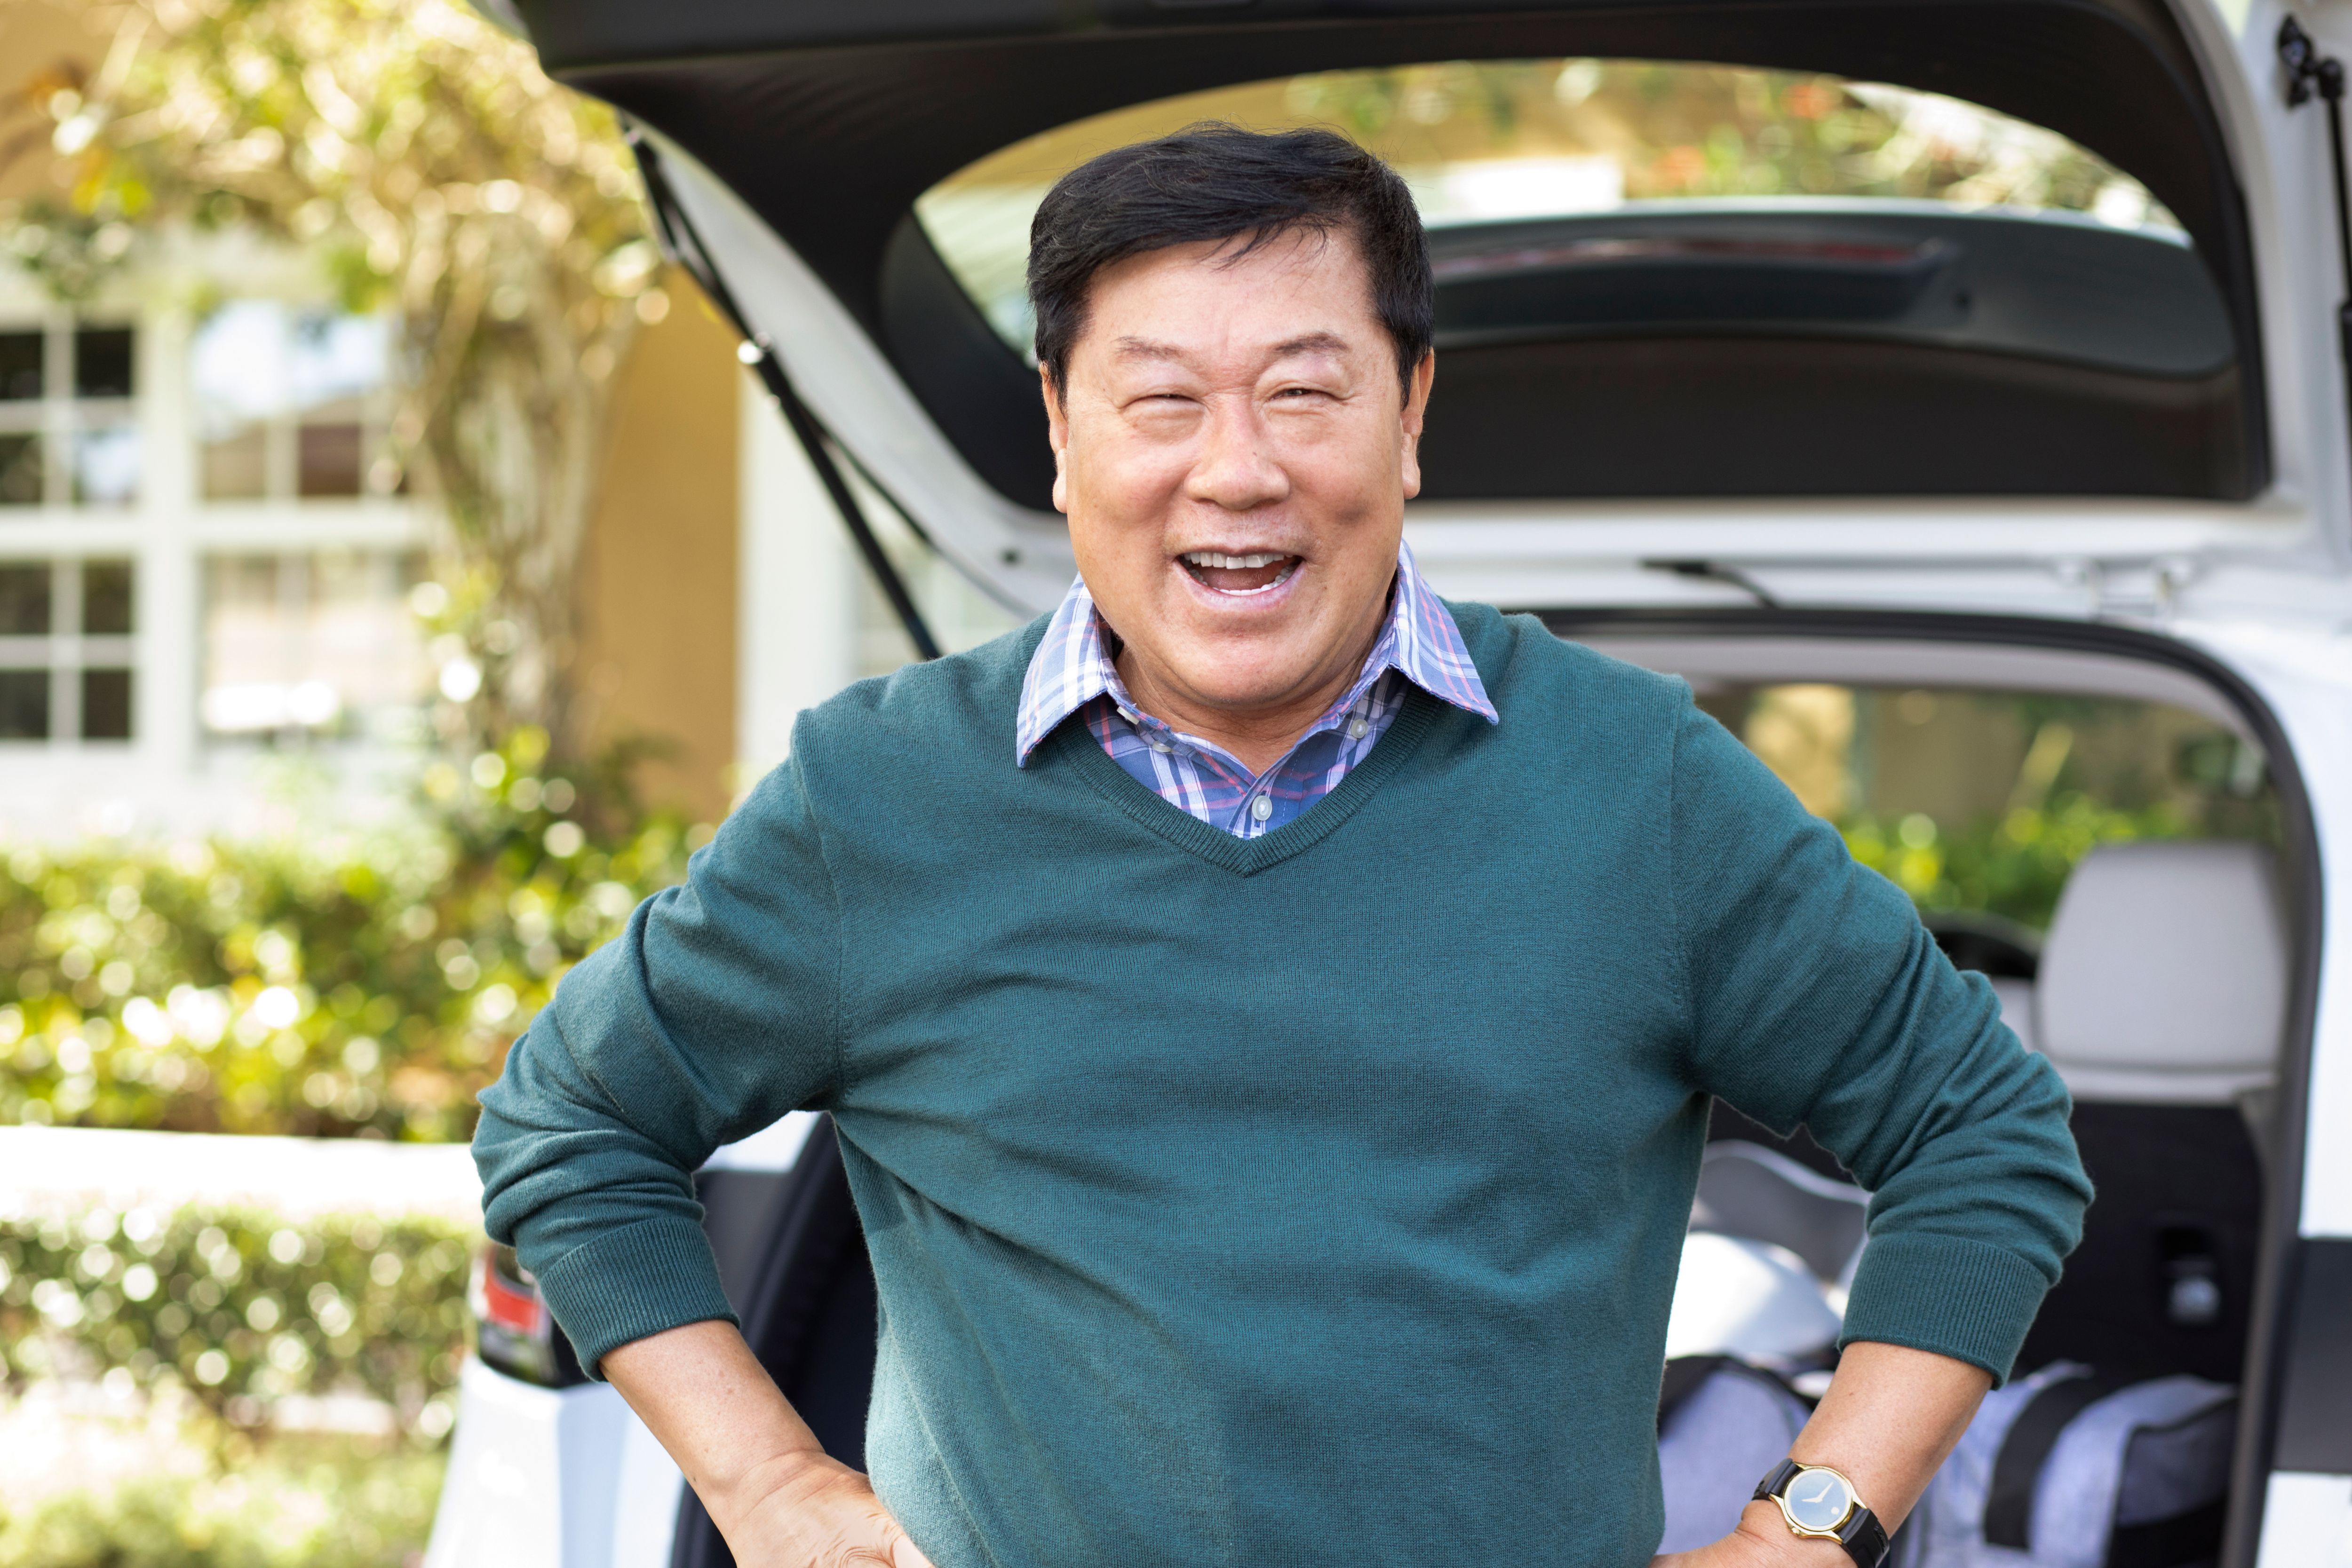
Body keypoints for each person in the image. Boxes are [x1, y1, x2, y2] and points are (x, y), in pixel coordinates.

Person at [473, 124, 2088, 1568]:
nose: (1234, 471)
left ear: (1410, 412)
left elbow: (1984, 1136)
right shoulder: (881, 800)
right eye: (1160, 398)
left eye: (1305, 392)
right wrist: (767, 1490)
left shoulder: (1636, 785)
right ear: (1059, 424)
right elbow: (571, 1123)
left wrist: (1810, 1528)